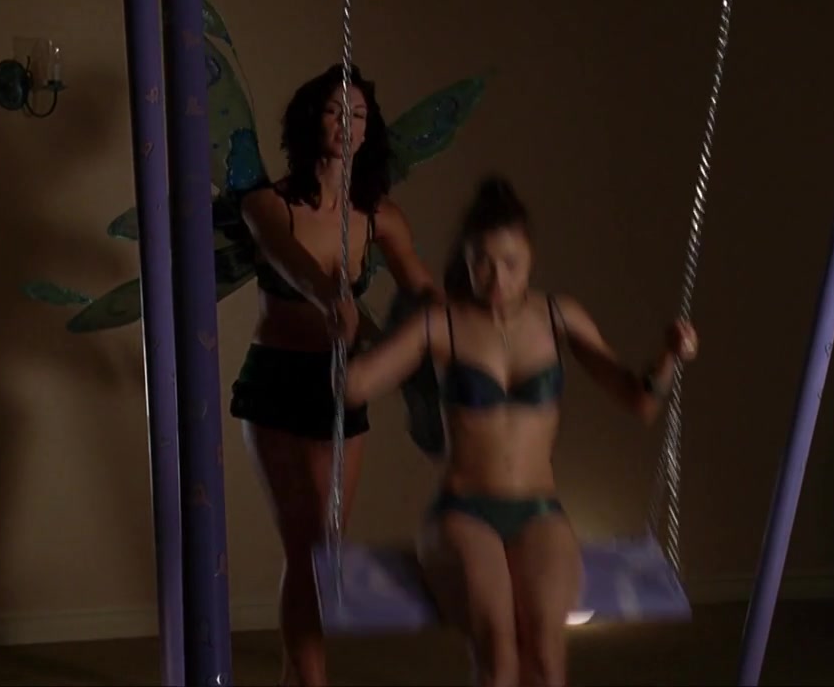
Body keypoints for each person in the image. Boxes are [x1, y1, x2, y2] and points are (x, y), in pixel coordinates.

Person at [342, 176, 700, 687]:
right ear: (466, 262)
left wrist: (669, 355)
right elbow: (355, 388)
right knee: (500, 653)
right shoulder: (441, 323)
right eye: (482, 263)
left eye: (510, 263)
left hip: (538, 511)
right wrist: (342, 330)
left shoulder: (558, 316)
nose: (497, 278)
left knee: (547, 659)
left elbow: (638, 400)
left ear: (530, 258)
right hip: (463, 514)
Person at [229, 63, 440, 687]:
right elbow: (292, 261)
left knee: (326, 553)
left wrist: (469, 329)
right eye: (333, 110)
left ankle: (297, 677)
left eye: (358, 114)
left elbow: (425, 296)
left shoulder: (381, 217)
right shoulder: (267, 204)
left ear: (370, 130)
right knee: (304, 547)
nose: (347, 123)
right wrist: (332, 297)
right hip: (276, 381)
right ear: (309, 119)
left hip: (342, 385)